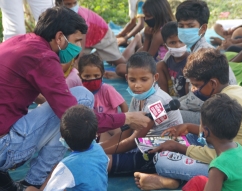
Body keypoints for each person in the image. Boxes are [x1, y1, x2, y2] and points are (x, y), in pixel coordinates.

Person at [0, 7, 150, 190]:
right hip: (4, 146)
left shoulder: (18, 42)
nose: (79, 47)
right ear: (60, 37)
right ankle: (34, 181)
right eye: (77, 40)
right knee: (82, 98)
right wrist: (127, 118)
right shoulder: (44, 58)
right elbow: (73, 115)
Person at [134, 48, 242, 190]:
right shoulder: (238, 91)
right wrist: (188, 127)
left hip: (241, 173)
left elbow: (216, 156)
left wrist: (178, 147)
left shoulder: (221, 105)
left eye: (197, 86)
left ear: (213, 83)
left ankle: (171, 181)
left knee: (162, 161)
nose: (194, 90)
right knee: (186, 137)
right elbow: (220, 137)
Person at [100, 52, 183, 175]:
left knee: (99, 162)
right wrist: (100, 148)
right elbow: (127, 130)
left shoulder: (157, 101)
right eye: (132, 80)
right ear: (127, 78)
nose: (137, 85)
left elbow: (134, 140)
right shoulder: (138, 96)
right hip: (142, 143)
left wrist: (99, 152)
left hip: (159, 152)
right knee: (101, 145)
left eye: (144, 79)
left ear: (155, 77)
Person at [158, 0, 236, 125]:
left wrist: (167, 105)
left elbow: (195, 101)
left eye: (190, 26)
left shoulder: (203, 56)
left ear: (203, 28)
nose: (184, 30)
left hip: (218, 115)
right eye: (181, 26)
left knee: (162, 116)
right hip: (209, 108)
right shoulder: (193, 50)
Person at [182, 93, 242, 191]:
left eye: (200, 124)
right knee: (198, 181)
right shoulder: (239, 149)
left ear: (205, 131)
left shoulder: (218, 166)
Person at [26, 105, 109, 191]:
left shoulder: (66, 166)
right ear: (95, 133)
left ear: (63, 138)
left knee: (30, 189)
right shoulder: (98, 149)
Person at [111, 0, 175, 78]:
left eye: (148, 16)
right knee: (129, 59)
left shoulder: (159, 34)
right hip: (156, 63)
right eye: (145, 16)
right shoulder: (163, 27)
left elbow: (146, 59)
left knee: (120, 68)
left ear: (158, 14)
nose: (145, 19)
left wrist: (147, 38)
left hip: (161, 69)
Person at [55, 0, 127, 67]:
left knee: (120, 63)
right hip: (87, 41)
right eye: (68, 4)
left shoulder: (81, 18)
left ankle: (134, 43)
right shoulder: (58, 14)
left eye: (74, 3)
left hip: (101, 35)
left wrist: (74, 67)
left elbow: (80, 49)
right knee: (81, 61)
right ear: (59, 3)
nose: (72, 6)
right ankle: (100, 55)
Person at [78, 53, 129, 141]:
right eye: (87, 76)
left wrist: (125, 124)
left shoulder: (107, 90)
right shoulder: (80, 92)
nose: (92, 79)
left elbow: (123, 105)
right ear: (79, 76)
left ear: (102, 74)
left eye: (96, 76)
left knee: (106, 143)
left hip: (110, 128)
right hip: (92, 130)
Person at [156, 21, 190, 98]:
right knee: (159, 65)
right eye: (172, 43)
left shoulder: (190, 60)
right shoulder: (168, 56)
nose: (178, 45)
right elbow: (162, 69)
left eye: (181, 41)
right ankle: (165, 97)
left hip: (184, 96)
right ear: (166, 46)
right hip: (172, 89)